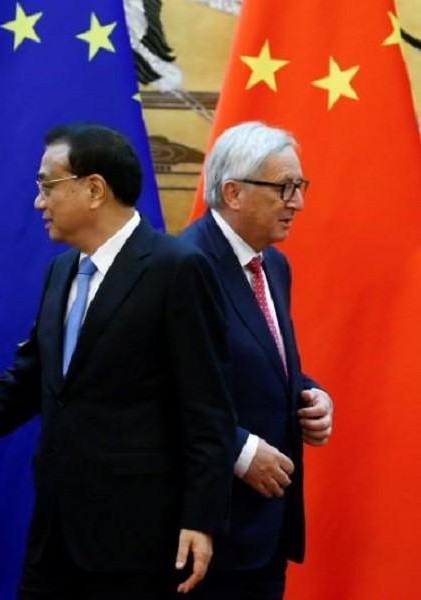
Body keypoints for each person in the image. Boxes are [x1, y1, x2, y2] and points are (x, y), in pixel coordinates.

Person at [0, 123, 237, 598]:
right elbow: (32, 381)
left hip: (138, 539)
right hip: (53, 534)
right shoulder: (62, 271)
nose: (39, 201)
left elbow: (207, 406)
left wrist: (201, 518)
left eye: (47, 186)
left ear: (95, 189)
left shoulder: (177, 268)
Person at [179, 121, 334, 599]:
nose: (298, 202)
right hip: (208, 530)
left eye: (300, 186)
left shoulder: (272, 265)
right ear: (234, 192)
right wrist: (240, 450)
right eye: (285, 187)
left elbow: (257, 359)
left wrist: (310, 395)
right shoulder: (183, 265)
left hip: (265, 531)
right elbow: (160, 388)